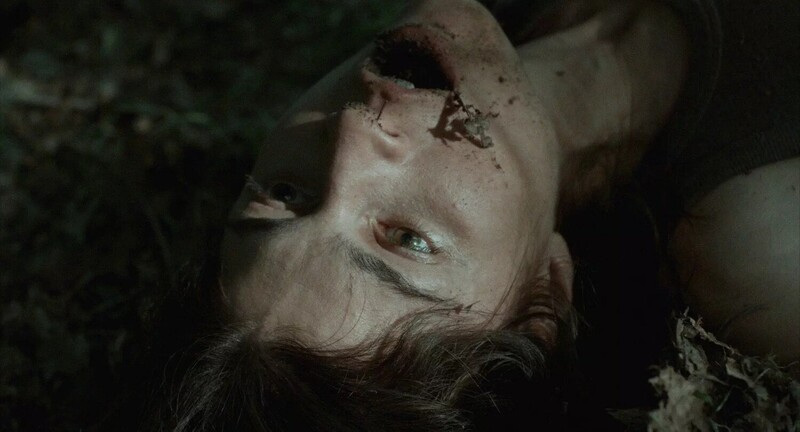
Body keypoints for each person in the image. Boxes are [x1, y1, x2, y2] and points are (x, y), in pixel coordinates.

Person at [115, 0, 798, 430]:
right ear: (545, 294)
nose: (352, 133)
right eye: (407, 239)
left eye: (286, 193)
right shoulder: (762, 243)